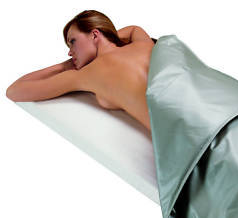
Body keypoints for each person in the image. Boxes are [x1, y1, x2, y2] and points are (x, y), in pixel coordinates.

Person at [5, 10, 158, 131]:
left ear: (95, 34)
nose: (69, 53)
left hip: (170, 132)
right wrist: (108, 39)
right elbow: (134, 28)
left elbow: (14, 91)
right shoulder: (144, 45)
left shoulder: (87, 74)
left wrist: (64, 66)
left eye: (73, 41)